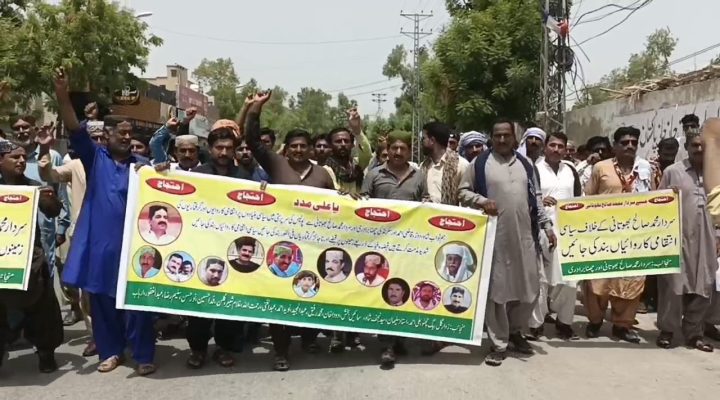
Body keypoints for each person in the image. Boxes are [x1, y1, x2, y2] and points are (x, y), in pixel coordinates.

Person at [54, 69, 157, 376]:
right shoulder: (95, 158)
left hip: (135, 248)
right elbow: (74, 126)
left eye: (129, 133)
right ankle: (111, 352)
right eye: (120, 133)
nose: (126, 137)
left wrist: (162, 174)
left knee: (137, 304)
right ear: (107, 135)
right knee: (102, 303)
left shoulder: (143, 166)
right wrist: (62, 94)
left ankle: (143, 354)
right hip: (101, 248)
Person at [458, 119, 555, 367]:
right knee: (498, 292)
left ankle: (515, 331)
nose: (502, 140)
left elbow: (536, 198)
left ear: (514, 138)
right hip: (495, 238)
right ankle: (499, 343)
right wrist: (481, 201)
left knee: (530, 288)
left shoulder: (526, 164)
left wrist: (546, 226)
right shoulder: (480, 163)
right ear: (491, 137)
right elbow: (463, 191)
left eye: (506, 135)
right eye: (497, 135)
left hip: (525, 237)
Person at [243, 92, 328, 369]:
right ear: (286, 149)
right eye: (294, 146)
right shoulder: (276, 164)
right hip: (281, 247)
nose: (299, 150)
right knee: (279, 300)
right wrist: (256, 108)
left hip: (313, 246)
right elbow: (252, 140)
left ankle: (309, 339)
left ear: (311, 149)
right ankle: (281, 351)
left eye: (303, 146)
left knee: (311, 292)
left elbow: (337, 208)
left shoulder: (323, 175)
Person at [583, 126, 659, 343]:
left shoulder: (645, 169)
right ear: (615, 146)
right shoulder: (601, 168)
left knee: (631, 281)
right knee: (597, 281)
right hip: (603, 236)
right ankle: (595, 321)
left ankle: (622, 326)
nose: (630, 146)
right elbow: (587, 198)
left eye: (634, 142)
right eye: (624, 142)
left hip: (635, 237)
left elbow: (655, 197)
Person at [361, 130, 427, 368]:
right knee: (385, 292)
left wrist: (428, 205)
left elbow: (425, 202)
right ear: (387, 150)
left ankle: (399, 339)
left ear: (409, 151)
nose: (398, 152)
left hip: (409, 247)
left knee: (403, 291)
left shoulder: (419, 176)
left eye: (403, 148)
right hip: (380, 245)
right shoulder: (374, 174)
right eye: (394, 148)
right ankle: (387, 344)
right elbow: (361, 205)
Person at [0, 140, 64, 373]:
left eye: (22, 157)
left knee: (42, 310)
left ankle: (46, 353)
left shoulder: (33, 186)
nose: (21, 161)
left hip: (30, 260)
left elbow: (53, 210)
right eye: (14, 157)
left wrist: (48, 198)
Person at [656, 129, 717, 352]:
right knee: (673, 286)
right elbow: (656, 204)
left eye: (703, 146)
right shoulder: (673, 172)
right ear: (687, 148)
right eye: (695, 145)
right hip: (678, 238)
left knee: (705, 286)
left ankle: (694, 332)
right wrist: (667, 197)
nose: (699, 149)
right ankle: (667, 330)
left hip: (708, 240)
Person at [37, 128, 96, 357]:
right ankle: (95, 337)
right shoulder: (76, 166)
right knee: (86, 291)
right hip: (83, 234)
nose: (97, 143)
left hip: (113, 235)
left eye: (101, 138)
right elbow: (49, 175)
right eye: (93, 139)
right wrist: (44, 149)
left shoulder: (119, 165)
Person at [527, 132, 581, 341]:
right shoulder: (534, 168)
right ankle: (536, 324)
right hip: (541, 229)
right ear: (545, 147)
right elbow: (527, 197)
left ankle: (564, 322)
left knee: (570, 280)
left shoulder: (571, 170)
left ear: (566, 150)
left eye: (561, 146)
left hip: (567, 231)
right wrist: (540, 202)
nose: (556, 150)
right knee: (540, 279)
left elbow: (579, 198)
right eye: (553, 145)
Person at [11, 116, 70, 280]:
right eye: (16, 128)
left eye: (25, 127)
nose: (21, 131)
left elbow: (61, 194)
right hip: (13, 234)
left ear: (34, 129)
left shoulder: (52, 157)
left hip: (44, 233)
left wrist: (61, 229)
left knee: (43, 280)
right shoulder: (6, 159)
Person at [420, 121, 470, 206]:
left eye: (423, 139)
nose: (421, 142)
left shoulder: (461, 165)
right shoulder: (423, 166)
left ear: (432, 140)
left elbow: (467, 197)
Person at [324, 108, 372, 194]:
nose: (343, 144)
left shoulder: (356, 166)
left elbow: (367, 153)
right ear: (330, 145)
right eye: (338, 141)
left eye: (346, 141)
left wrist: (357, 131)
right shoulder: (325, 170)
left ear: (352, 145)